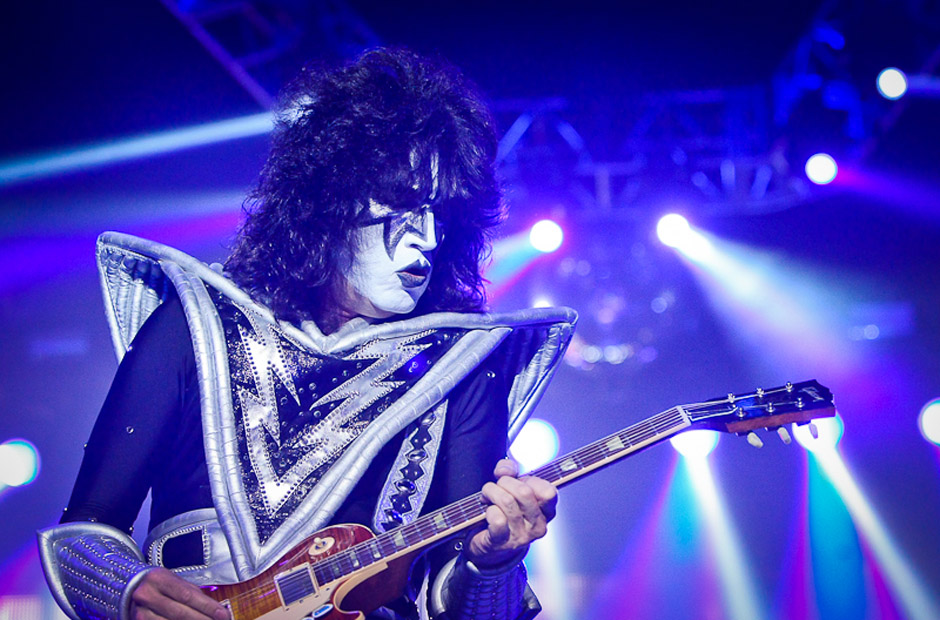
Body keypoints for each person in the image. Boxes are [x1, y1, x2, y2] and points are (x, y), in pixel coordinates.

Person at [38, 48, 576, 620]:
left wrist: (495, 562)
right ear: (328, 200)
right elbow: (83, 532)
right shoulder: (194, 324)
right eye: (402, 204)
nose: (427, 237)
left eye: (440, 215)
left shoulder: (463, 366)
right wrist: (127, 589)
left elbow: (469, 612)